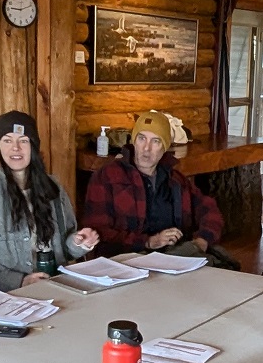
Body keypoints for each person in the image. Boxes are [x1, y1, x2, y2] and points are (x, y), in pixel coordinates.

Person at [0, 111, 100, 295]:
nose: (15, 148)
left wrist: (80, 243)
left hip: (55, 291)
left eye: (23, 140)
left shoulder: (54, 189)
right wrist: (20, 281)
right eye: (7, 140)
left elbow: (66, 249)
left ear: (33, 147)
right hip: (1, 302)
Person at [82, 110, 226, 260]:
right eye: (142, 138)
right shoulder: (108, 176)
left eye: (155, 141)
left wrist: (202, 240)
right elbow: (98, 231)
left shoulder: (176, 180)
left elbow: (209, 210)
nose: (146, 148)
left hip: (173, 258)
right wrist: (148, 242)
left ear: (164, 147)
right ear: (133, 141)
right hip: (124, 261)